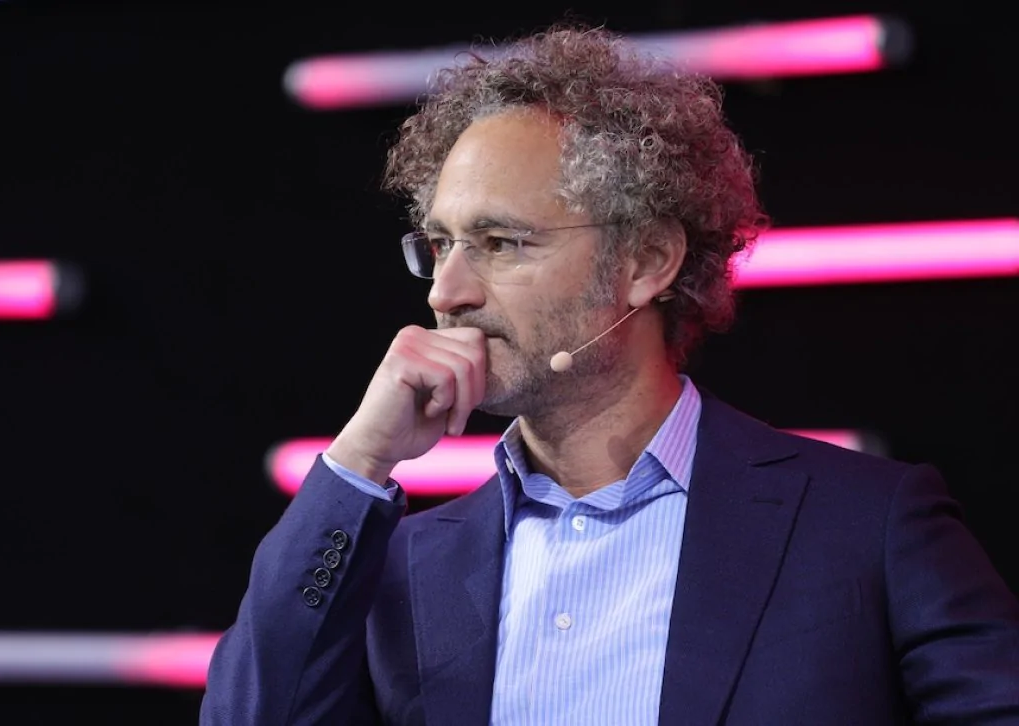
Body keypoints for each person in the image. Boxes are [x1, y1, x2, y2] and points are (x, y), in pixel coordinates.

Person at [199, 22, 1019, 726]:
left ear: (647, 260)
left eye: (501, 243)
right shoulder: (402, 563)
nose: (446, 292)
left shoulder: (866, 525)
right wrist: (359, 461)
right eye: (440, 244)